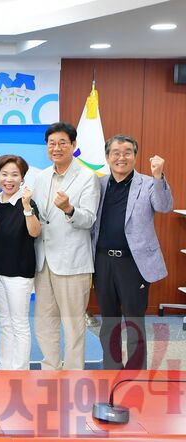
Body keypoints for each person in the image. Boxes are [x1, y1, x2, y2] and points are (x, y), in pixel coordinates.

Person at [92, 135, 172, 370]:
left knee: (134, 322)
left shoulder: (148, 183)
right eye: (116, 152)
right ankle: (112, 371)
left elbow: (164, 206)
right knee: (109, 322)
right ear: (107, 157)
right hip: (102, 261)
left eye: (127, 152)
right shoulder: (98, 184)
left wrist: (158, 176)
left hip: (134, 263)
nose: (122, 157)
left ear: (135, 156)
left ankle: (137, 375)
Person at [32, 122, 100, 370]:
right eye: (52, 143)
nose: (56, 148)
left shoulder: (87, 177)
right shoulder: (41, 177)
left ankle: (73, 373)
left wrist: (69, 209)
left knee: (73, 324)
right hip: (43, 262)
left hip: (72, 262)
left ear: (73, 145)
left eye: (62, 143)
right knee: (44, 321)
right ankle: (50, 368)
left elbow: (89, 219)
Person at [0, 155, 41, 370]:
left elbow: (35, 232)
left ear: (22, 178)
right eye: (4, 174)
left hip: (19, 273)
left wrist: (27, 207)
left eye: (14, 175)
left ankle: (19, 371)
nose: (8, 179)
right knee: (4, 321)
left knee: (19, 323)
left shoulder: (27, 203)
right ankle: (5, 367)